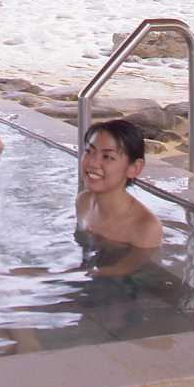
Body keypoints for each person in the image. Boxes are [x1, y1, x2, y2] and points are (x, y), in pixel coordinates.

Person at [75, 119, 162, 278]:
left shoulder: (145, 227)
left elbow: (123, 271)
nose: (93, 163)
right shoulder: (83, 202)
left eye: (107, 157)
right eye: (89, 151)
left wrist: (47, 278)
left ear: (134, 168)